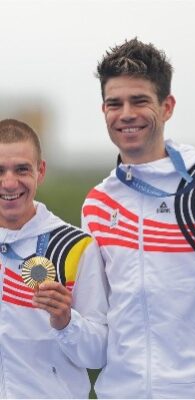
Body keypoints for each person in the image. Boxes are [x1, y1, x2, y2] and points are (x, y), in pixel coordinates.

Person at [81, 38, 195, 398]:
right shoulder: (98, 203)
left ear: (167, 107)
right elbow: (97, 320)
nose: (126, 114)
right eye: (115, 103)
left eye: (140, 101)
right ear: (104, 110)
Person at [0, 119, 108, 398]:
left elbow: (98, 354)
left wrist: (66, 322)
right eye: (0, 170)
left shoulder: (75, 247)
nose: (9, 182)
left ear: (41, 171)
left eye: (22, 169)